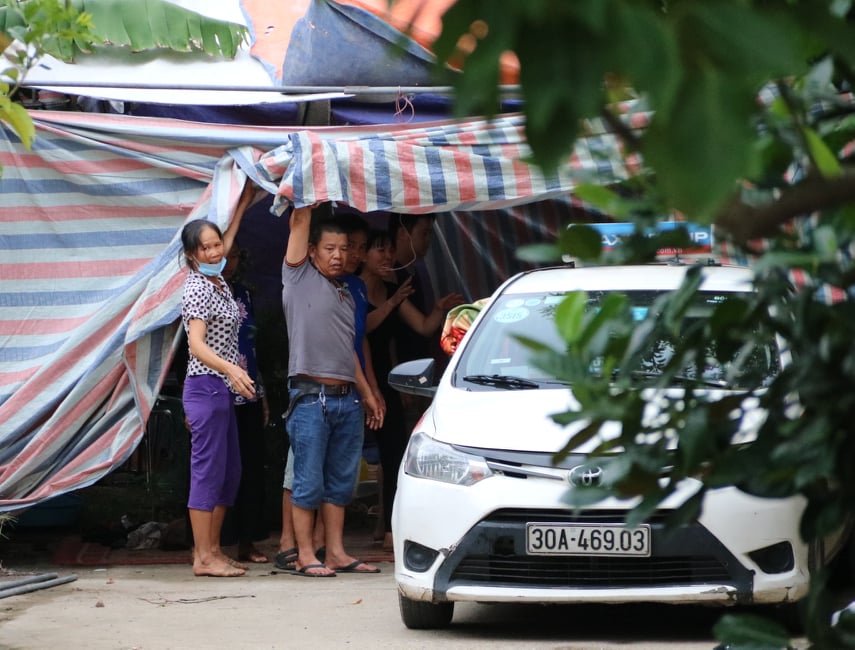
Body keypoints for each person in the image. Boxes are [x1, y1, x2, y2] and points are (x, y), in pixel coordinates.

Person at [274, 212, 385, 570]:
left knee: (340, 483)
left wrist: (367, 393)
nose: (338, 255)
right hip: (310, 397)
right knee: (307, 480)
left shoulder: (347, 291)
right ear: (311, 252)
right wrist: (309, 195)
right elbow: (299, 223)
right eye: (330, 248)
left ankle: (335, 552)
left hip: (347, 398)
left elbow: (347, 351)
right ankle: (306, 554)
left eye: (344, 248)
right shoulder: (298, 278)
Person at [361, 229, 459, 549]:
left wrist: (440, 309)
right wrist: (392, 302)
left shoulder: (393, 289)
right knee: (351, 457)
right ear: (363, 255)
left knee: (393, 453)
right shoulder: (352, 288)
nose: (388, 257)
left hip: (384, 381)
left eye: (390, 251)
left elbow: (423, 326)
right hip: (356, 379)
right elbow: (365, 327)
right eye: (380, 250)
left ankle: (388, 529)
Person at [180, 180, 257, 577]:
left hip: (223, 390)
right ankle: (203, 556)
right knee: (208, 471)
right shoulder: (197, 287)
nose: (214, 251)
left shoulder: (219, 278)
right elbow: (196, 345)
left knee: (229, 472)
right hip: (206, 387)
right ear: (192, 256)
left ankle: (211, 550)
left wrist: (243, 200)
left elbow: (228, 236)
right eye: (205, 248)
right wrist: (231, 368)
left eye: (216, 245)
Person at [220, 244, 271, 564]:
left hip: (249, 391)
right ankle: (215, 546)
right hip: (214, 391)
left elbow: (253, 347)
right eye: (223, 253)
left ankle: (247, 542)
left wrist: (261, 392)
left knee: (250, 467)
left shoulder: (245, 294)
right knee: (218, 468)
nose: (228, 261)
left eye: (236, 254)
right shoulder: (200, 292)